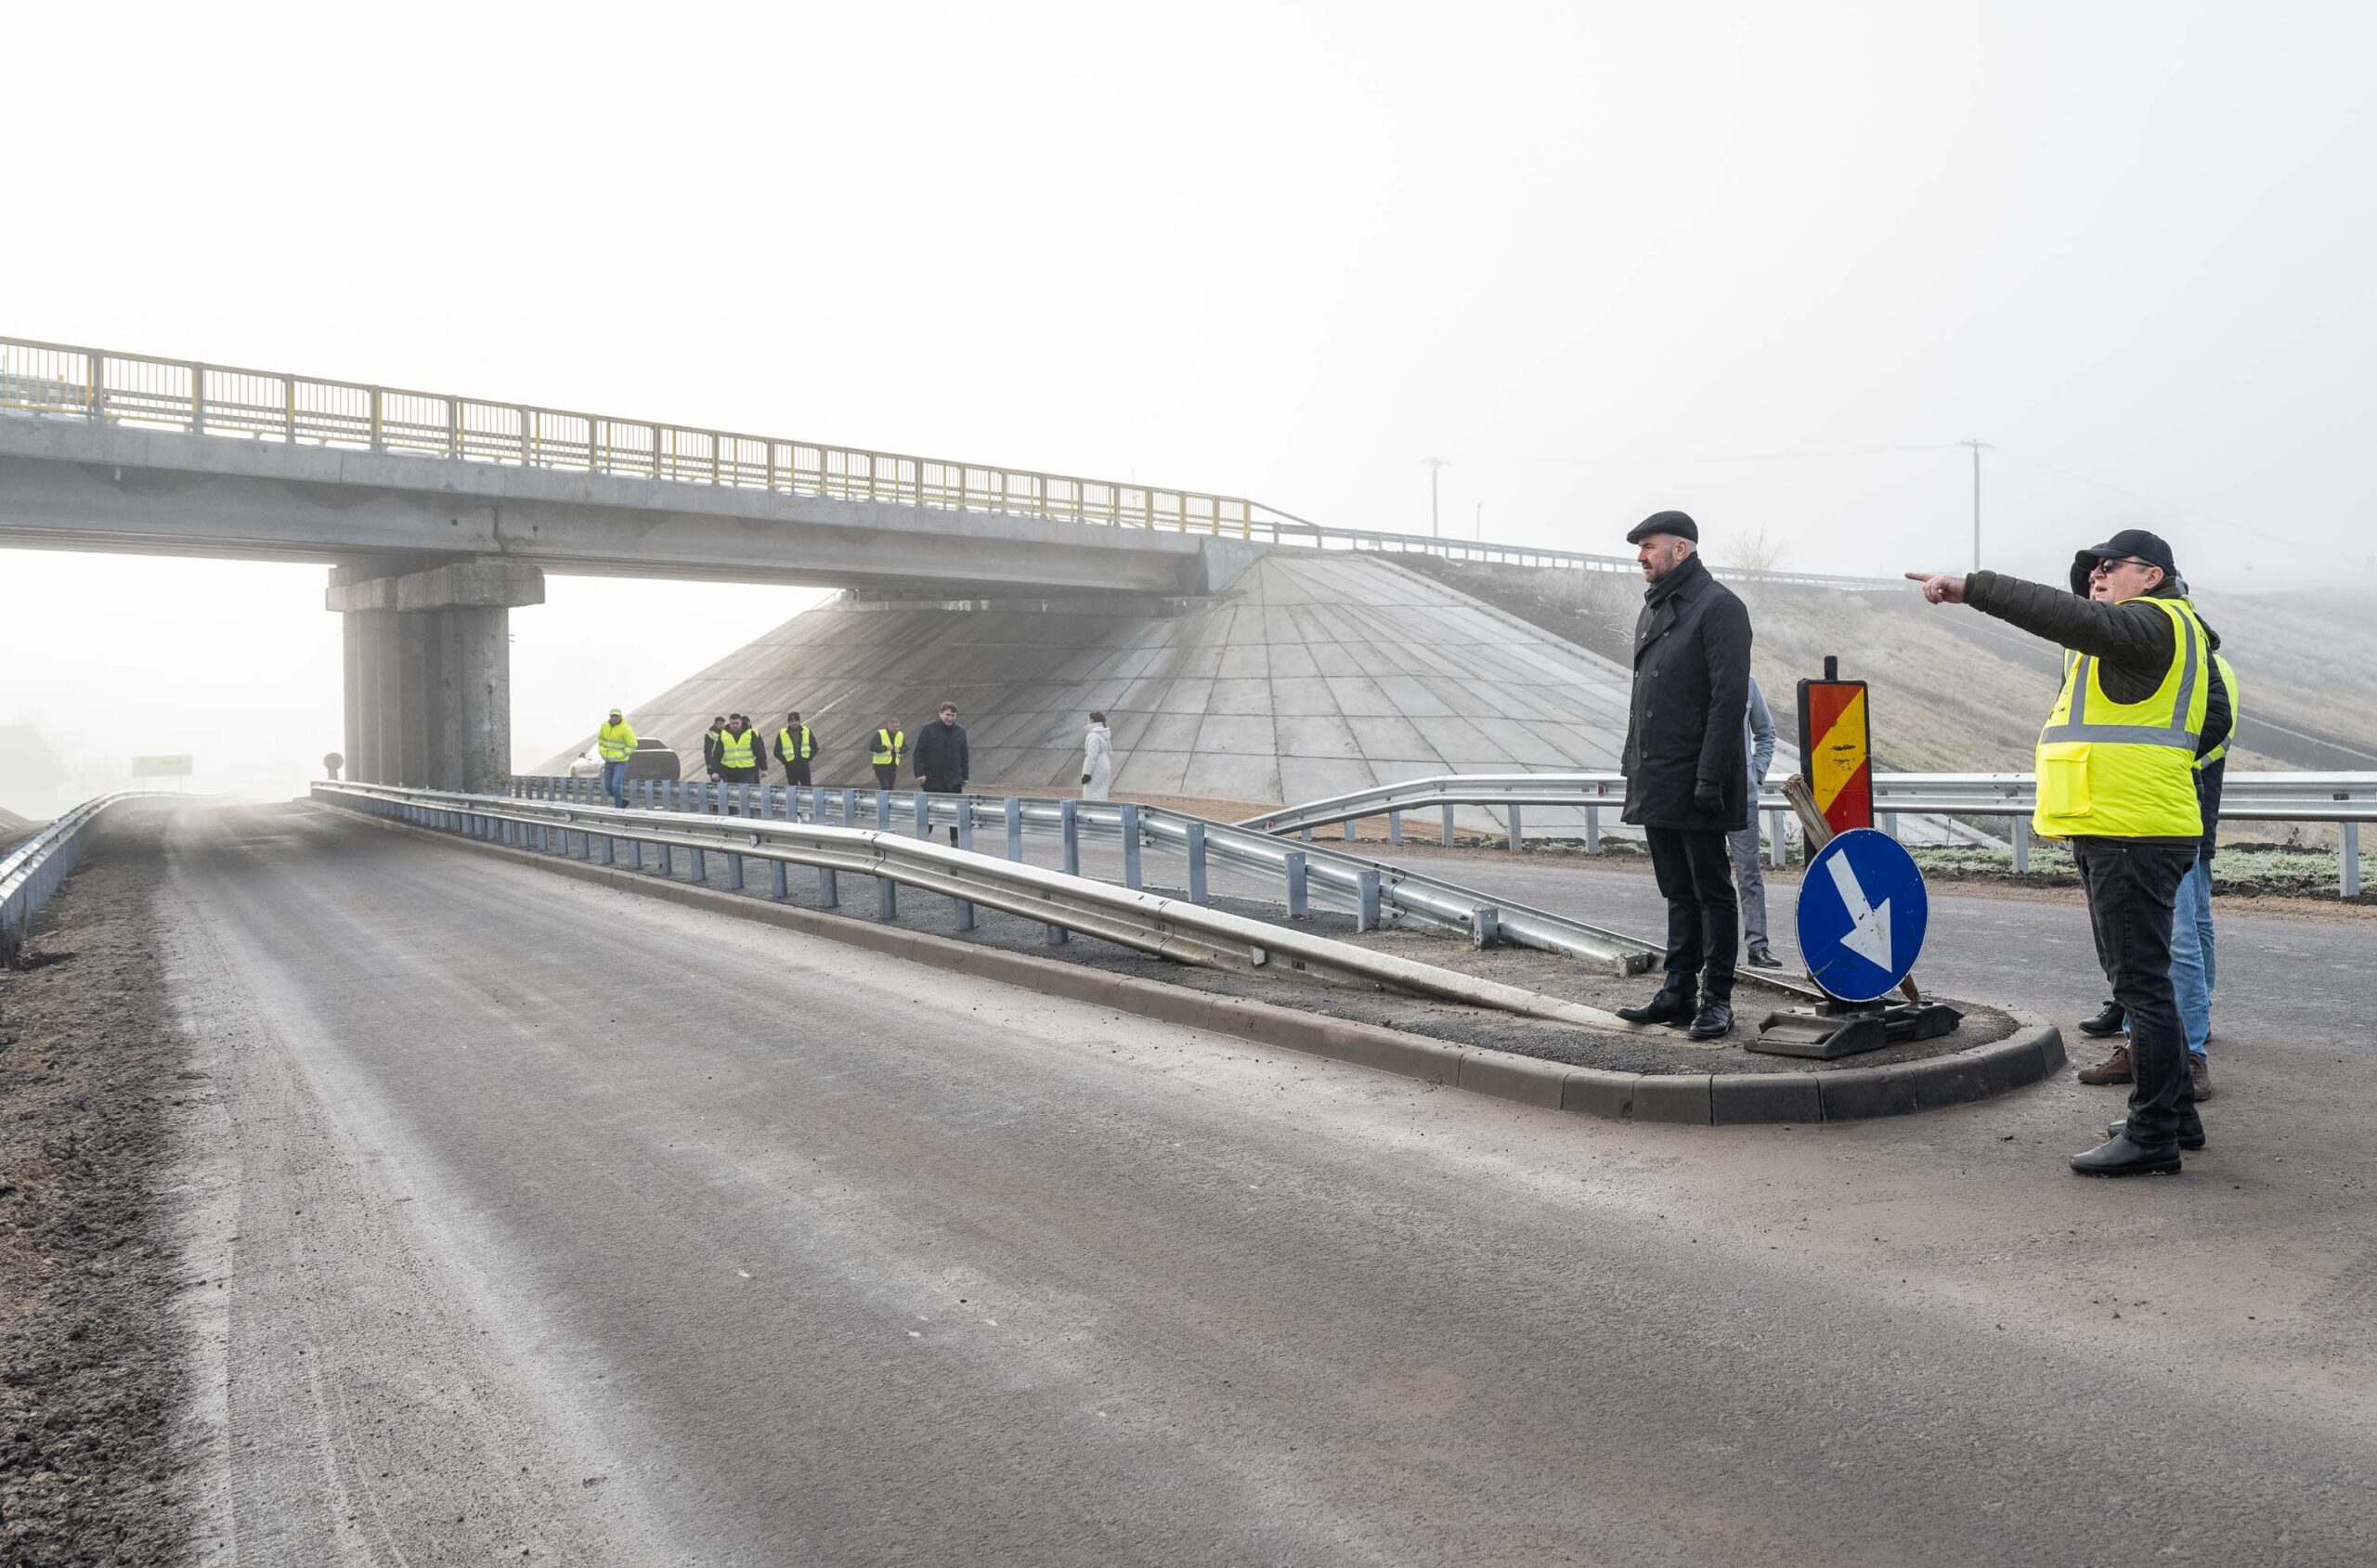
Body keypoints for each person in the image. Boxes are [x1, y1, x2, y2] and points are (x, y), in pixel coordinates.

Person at [1906, 527, 2225, 1176]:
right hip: (2128, 822)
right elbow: (2203, 721)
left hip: (2130, 828)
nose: (2097, 575)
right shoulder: (2160, 635)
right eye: (2091, 568)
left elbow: (2059, 612)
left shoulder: (2152, 624)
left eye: (2111, 565)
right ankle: (2174, 1115)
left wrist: (1972, 588)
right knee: (2142, 983)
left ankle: (2153, 1133)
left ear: (2153, 575)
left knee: (2142, 985)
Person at [2075, 589, 2237, 1101]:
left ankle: (2186, 1056)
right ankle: (2157, 1056)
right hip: (2123, 817)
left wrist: (2156, 768)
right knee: (2157, 948)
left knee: (2179, 941)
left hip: (2163, 816)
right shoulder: (2109, 653)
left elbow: (2209, 728)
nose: (2098, 587)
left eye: (2107, 576)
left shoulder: (2192, 654)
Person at [1612, 511, 1753, 1041]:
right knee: (1676, 889)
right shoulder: (1653, 611)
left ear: (1682, 549)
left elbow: (1728, 700)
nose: (1640, 557)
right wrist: (1636, 767)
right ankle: (1677, 991)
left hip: (1699, 777)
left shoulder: (1719, 608)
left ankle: (1717, 998)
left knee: (1711, 888)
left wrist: (1710, 778)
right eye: (1640, 549)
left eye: (1649, 547)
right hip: (1658, 775)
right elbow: (1643, 704)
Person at [1730, 675, 1781, 967]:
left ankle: (1758, 947)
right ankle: (1711, 949)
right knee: (1710, 878)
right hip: (1703, 798)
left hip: (1742, 796)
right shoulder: (1695, 676)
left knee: (1749, 875)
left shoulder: (1747, 683)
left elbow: (1766, 732)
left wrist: (1756, 772)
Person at [913, 701, 969, 846]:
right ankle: (923, 841)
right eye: (947, 715)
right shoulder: (929, 729)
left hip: (954, 779)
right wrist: (920, 773)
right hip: (933, 779)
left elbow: (964, 754)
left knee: (954, 812)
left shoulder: (960, 731)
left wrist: (965, 776)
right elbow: (919, 753)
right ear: (940, 714)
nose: (950, 718)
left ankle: (955, 842)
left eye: (953, 715)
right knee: (930, 812)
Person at [717, 714, 762, 810]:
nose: (734, 725)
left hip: (747, 769)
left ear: (741, 722)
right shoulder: (724, 735)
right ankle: (733, 818)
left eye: (737, 723)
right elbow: (717, 753)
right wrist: (714, 770)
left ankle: (749, 816)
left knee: (746, 795)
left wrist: (764, 767)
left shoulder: (750, 733)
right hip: (730, 770)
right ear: (729, 723)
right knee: (732, 795)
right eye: (732, 723)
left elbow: (759, 751)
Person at [595, 706, 637, 809]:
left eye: (616, 716)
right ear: (610, 716)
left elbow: (632, 745)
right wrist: (601, 751)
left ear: (620, 716)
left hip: (620, 762)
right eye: (612, 716)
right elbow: (600, 739)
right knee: (608, 786)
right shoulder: (604, 726)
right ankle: (622, 802)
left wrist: (619, 756)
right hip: (608, 761)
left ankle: (618, 807)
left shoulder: (626, 729)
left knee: (615, 786)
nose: (614, 718)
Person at [775, 711, 817, 788]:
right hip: (791, 766)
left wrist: (808, 758)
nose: (794, 723)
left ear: (799, 721)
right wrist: (785, 761)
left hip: (803, 765)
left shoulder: (806, 731)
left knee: (807, 788)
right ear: (789, 722)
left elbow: (815, 746)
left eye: (796, 721)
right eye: (791, 721)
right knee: (792, 790)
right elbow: (776, 751)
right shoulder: (782, 734)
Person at [1081, 711, 1113, 802]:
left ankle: (1093, 814)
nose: (1086, 722)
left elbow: (1092, 757)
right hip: (1105, 764)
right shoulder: (1104, 733)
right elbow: (1110, 751)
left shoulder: (1093, 736)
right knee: (1102, 793)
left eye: (1087, 720)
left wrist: (1087, 774)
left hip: (1096, 767)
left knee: (1091, 794)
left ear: (1091, 720)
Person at [870, 719, 905, 791]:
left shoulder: (900, 734)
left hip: (893, 765)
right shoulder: (880, 733)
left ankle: (887, 801)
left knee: (891, 786)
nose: (896, 729)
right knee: (885, 786)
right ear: (888, 726)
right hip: (880, 765)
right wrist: (886, 748)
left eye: (897, 727)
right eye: (894, 727)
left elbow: (906, 747)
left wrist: (900, 749)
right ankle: (883, 801)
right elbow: (872, 747)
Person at [702, 715, 727, 784]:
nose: (721, 726)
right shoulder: (710, 735)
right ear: (715, 724)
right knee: (716, 785)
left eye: (723, 724)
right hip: (714, 764)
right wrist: (709, 765)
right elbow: (708, 751)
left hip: (724, 764)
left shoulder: (725, 734)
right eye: (719, 724)